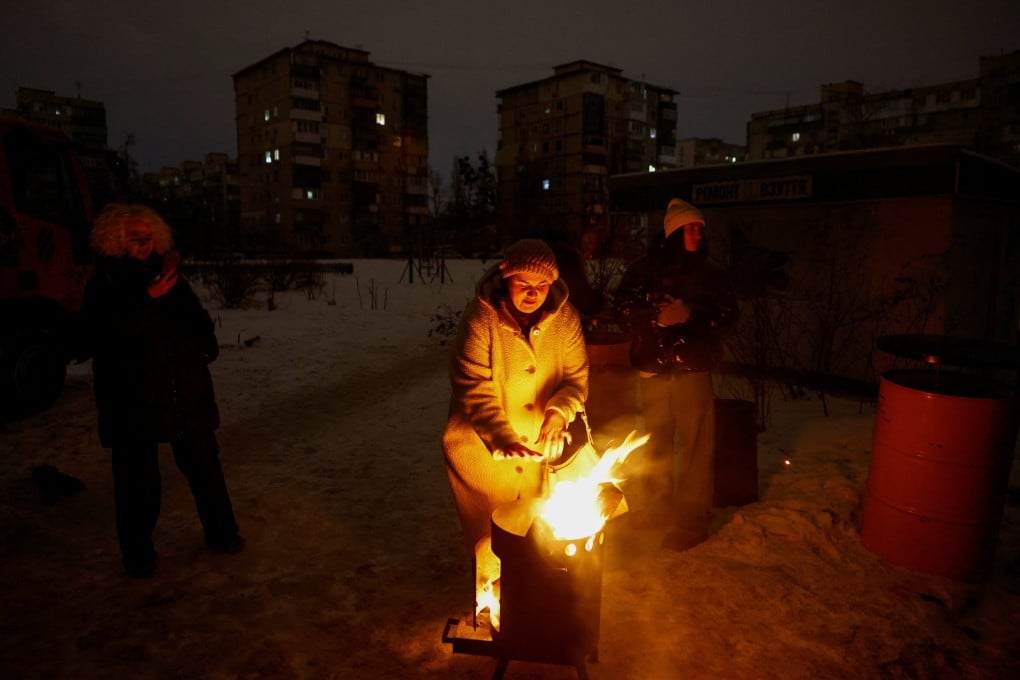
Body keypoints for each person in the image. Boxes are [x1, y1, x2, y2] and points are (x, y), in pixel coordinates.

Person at [84, 203, 243, 577]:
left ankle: (224, 534)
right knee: (137, 481)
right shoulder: (104, 283)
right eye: (134, 237)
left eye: (148, 236)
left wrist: (205, 349)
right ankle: (138, 556)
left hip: (184, 391)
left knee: (205, 468)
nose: (143, 244)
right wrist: (147, 298)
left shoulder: (170, 276)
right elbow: (103, 338)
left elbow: (198, 321)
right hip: (133, 400)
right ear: (115, 240)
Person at [443, 238, 589, 611]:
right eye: (524, 285)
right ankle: (489, 608)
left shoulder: (566, 320)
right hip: (482, 450)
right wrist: (502, 437)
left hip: (539, 450)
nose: (533, 294)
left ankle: (529, 606)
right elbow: (473, 390)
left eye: (541, 286)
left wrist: (557, 415)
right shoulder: (480, 320)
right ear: (506, 278)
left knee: (537, 532)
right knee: (490, 537)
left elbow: (576, 381)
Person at [613, 198, 736, 551]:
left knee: (697, 445)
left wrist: (691, 315)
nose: (698, 232)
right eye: (691, 227)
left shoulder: (711, 275)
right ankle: (654, 509)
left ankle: (691, 521)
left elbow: (727, 317)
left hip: (692, 369)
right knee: (656, 444)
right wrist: (654, 316)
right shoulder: (643, 271)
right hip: (653, 369)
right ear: (673, 232)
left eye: (700, 227)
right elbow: (621, 308)